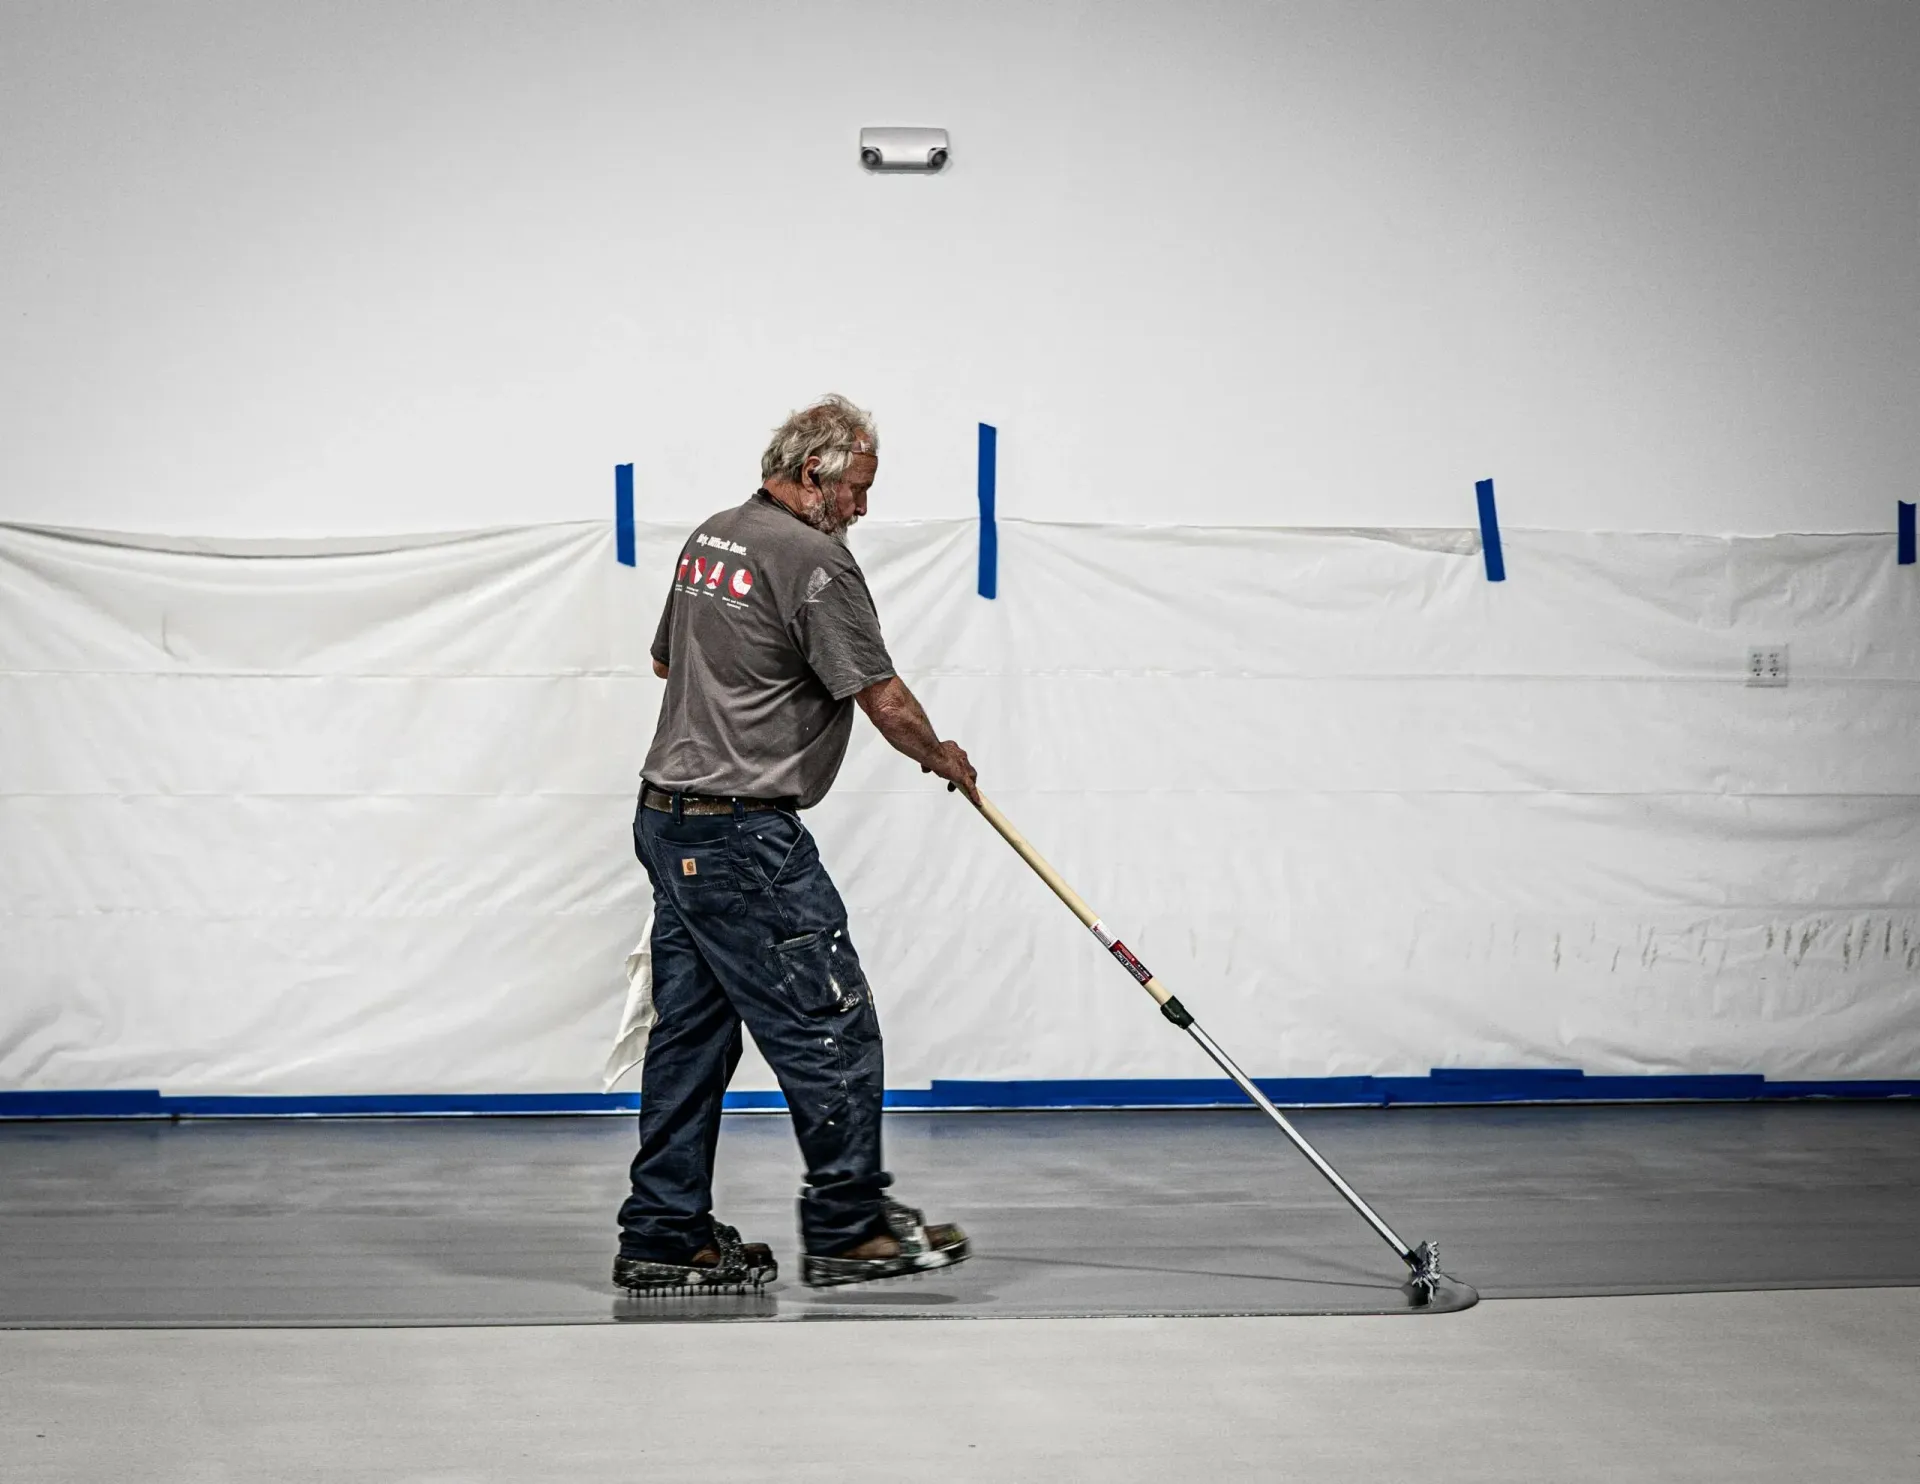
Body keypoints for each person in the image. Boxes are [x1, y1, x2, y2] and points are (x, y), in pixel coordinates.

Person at [614, 394, 979, 1293]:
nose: (861, 508)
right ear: (814, 474)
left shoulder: (712, 537)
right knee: (832, 1023)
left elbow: (668, 660)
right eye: (857, 489)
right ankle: (851, 1229)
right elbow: (881, 695)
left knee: (691, 1039)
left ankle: (664, 1232)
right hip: (742, 836)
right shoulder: (817, 562)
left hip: (667, 821)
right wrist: (943, 758)